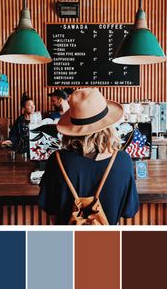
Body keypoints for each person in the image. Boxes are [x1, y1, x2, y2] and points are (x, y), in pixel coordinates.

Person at [38, 88, 139, 225]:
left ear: (71, 128)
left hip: (66, 239)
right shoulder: (123, 160)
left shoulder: (57, 160)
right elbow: (129, 211)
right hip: (108, 241)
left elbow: (50, 209)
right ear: (108, 126)